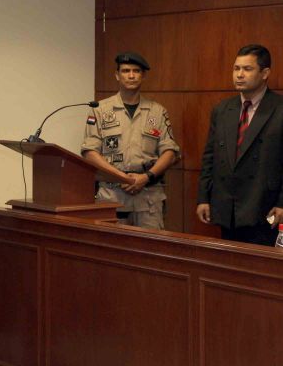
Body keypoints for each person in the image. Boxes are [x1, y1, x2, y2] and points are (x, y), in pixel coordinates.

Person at [81, 51, 179, 229]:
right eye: (126, 71)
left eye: (136, 71)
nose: (131, 75)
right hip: (112, 197)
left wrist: (146, 177)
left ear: (143, 76)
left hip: (148, 198)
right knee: (110, 245)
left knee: (150, 245)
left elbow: (170, 152)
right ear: (117, 75)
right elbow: (89, 152)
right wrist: (121, 177)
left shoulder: (158, 111)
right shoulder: (99, 110)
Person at [197, 44, 283, 245]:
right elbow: (210, 157)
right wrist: (203, 198)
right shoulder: (222, 109)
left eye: (247, 69)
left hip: (266, 208)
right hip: (228, 209)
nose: (239, 75)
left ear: (265, 73)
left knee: (261, 262)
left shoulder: (279, 109)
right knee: (229, 262)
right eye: (236, 68)